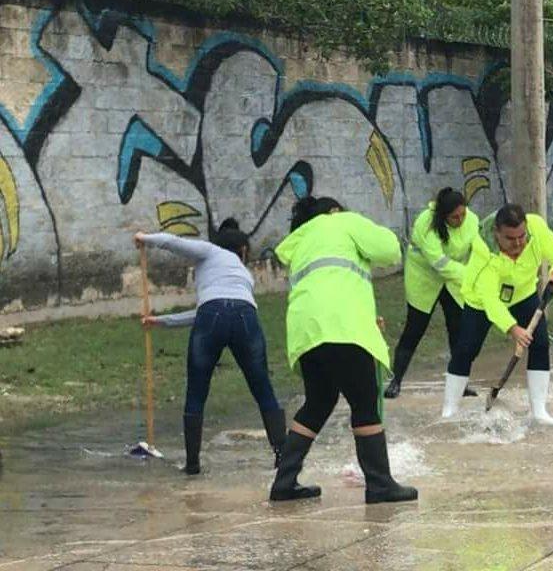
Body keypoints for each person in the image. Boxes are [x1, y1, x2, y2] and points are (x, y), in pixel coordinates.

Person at [268, 195, 417, 503]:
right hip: (343, 328)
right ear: (334, 210)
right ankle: (379, 484)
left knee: (319, 402)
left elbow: (330, 282)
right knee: (365, 403)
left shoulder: (301, 241)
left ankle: (284, 481)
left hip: (306, 332)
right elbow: (390, 250)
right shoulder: (341, 221)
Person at [136, 221, 285, 475]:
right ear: (244, 251)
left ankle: (192, 464)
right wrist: (161, 321)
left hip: (211, 317)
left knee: (197, 390)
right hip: (245, 318)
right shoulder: (244, 275)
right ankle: (283, 456)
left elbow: (175, 244)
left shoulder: (210, 252)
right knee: (262, 388)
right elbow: (220, 307)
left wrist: (145, 238)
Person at [441, 204, 553, 425]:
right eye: (511, 239)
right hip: (480, 300)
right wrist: (513, 329)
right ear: (497, 234)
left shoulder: (537, 229)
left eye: (522, 236)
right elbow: (491, 301)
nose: (518, 243)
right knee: (465, 350)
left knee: (540, 343)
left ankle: (539, 410)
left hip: (522, 293)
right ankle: (449, 409)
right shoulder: (484, 250)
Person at [385, 188, 481, 399]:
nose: (460, 220)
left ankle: (460, 382)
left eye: (462, 214)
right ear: (443, 216)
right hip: (425, 278)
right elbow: (440, 264)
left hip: (453, 281)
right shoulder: (426, 225)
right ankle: (396, 380)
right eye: (454, 217)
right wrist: (469, 275)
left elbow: (478, 250)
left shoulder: (472, 221)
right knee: (414, 329)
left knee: (458, 330)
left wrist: (481, 273)